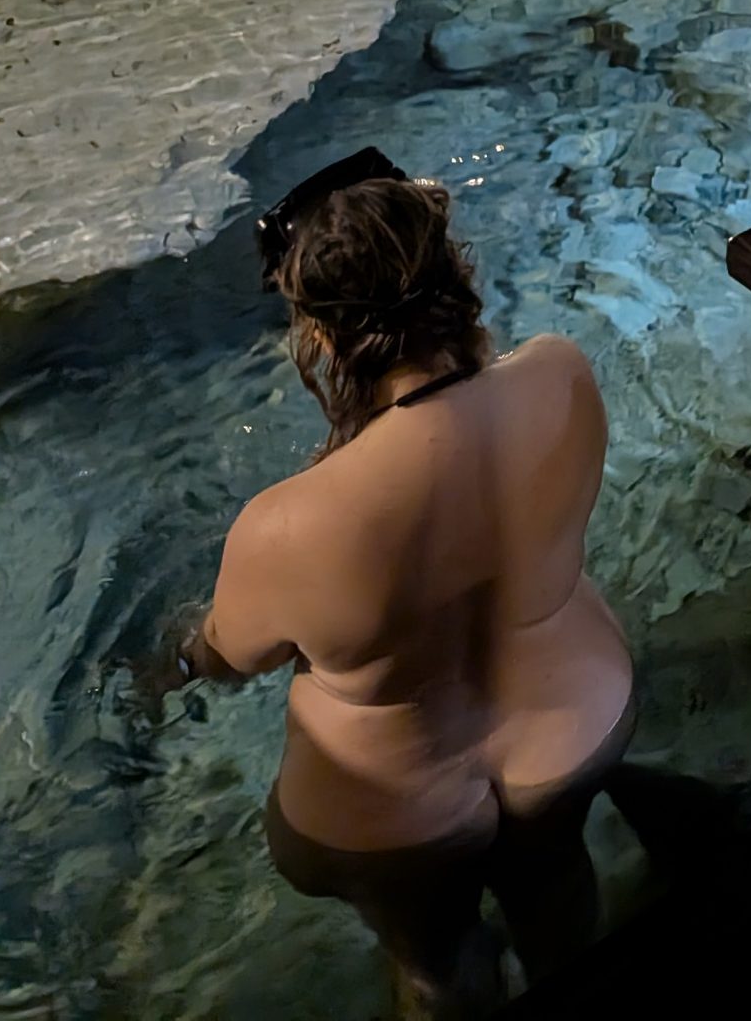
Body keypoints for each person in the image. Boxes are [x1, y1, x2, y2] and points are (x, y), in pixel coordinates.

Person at [168, 150, 634, 1016]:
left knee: (436, 963)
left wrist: (172, 659)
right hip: (571, 738)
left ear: (318, 336)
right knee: (558, 896)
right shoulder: (561, 373)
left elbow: (227, 658)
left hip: (396, 818)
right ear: (454, 268)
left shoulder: (288, 524)